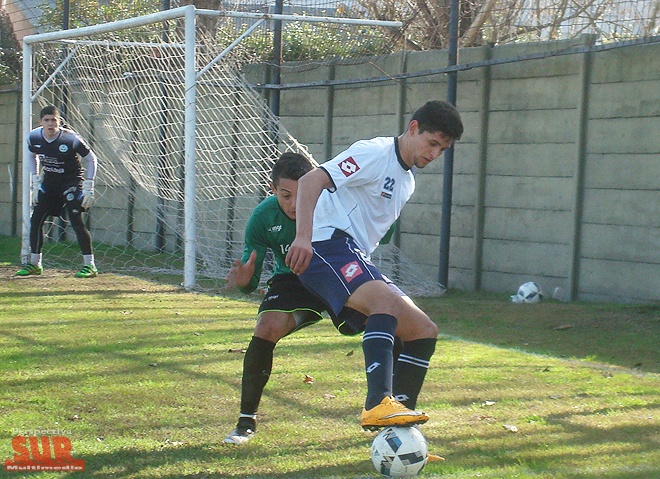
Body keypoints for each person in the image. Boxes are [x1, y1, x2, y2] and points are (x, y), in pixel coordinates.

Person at [285, 100, 464, 430]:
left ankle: (398, 428)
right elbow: (311, 181)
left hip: (353, 256)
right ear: (413, 129)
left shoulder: (407, 182)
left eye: (443, 149)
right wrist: (303, 238)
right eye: (432, 143)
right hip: (327, 245)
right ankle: (377, 403)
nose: (435, 154)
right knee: (387, 303)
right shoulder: (374, 153)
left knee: (423, 331)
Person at [16, 105, 99, 278]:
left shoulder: (71, 139)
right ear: (41, 122)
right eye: (47, 120)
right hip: (50, 183)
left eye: (54, 120)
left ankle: (89, 265)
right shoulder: (33, 137)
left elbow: (91, 158)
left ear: (59, 121)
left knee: (76, 219)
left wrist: (88, 186)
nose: (50, 123)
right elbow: (31, 155)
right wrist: (36, 181)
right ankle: (35, 263)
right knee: (36, 220)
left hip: (71, 182)